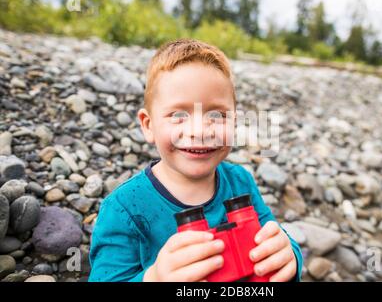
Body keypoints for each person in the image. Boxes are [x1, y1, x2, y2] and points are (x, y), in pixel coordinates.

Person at [88, 39, 303, 282]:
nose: (200, 130)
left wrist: (290, 257)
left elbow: (275, 241)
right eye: (178, 115)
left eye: (217, 115)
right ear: (148, 126)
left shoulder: (240, 182)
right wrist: (154, 278)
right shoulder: (124, 208)